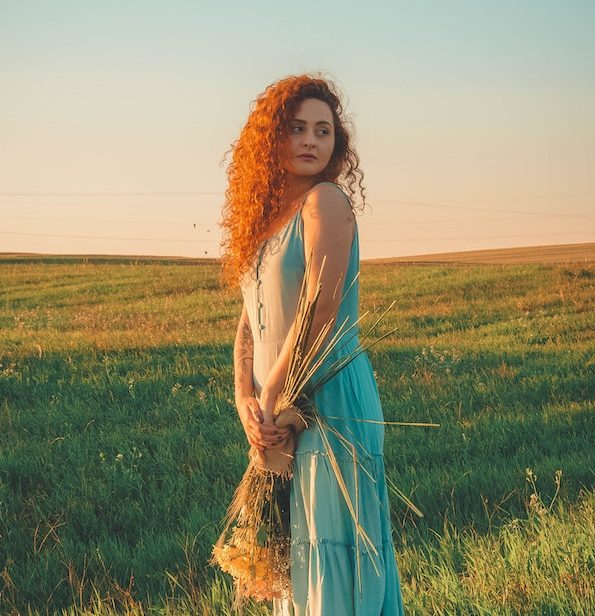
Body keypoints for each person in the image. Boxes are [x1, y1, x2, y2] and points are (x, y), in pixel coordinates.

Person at [220, 74, 404, 615]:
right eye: (296, 128)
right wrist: (245, 400)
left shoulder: (326, 201)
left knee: (331, 547)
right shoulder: (266, 219)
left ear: (336, 144)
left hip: (331, 397)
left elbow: (320, 310)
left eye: (322, 131)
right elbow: (249, 321)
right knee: (295, 555)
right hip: (277, 404)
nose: (309, 141)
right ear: (271, 139)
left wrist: (276, 393)